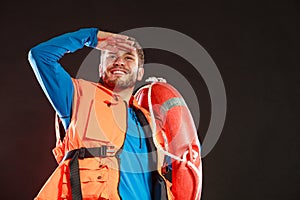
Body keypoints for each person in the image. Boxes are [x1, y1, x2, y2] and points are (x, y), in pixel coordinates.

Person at [28, 27, 202, 200]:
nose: (119, 62)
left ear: (140, 72)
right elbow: (40, 56)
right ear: (100, 68)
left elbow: (175, 167)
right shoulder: (77, 97)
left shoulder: (150, 122)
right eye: (112, 56)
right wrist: (91, 37)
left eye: (128, 58)